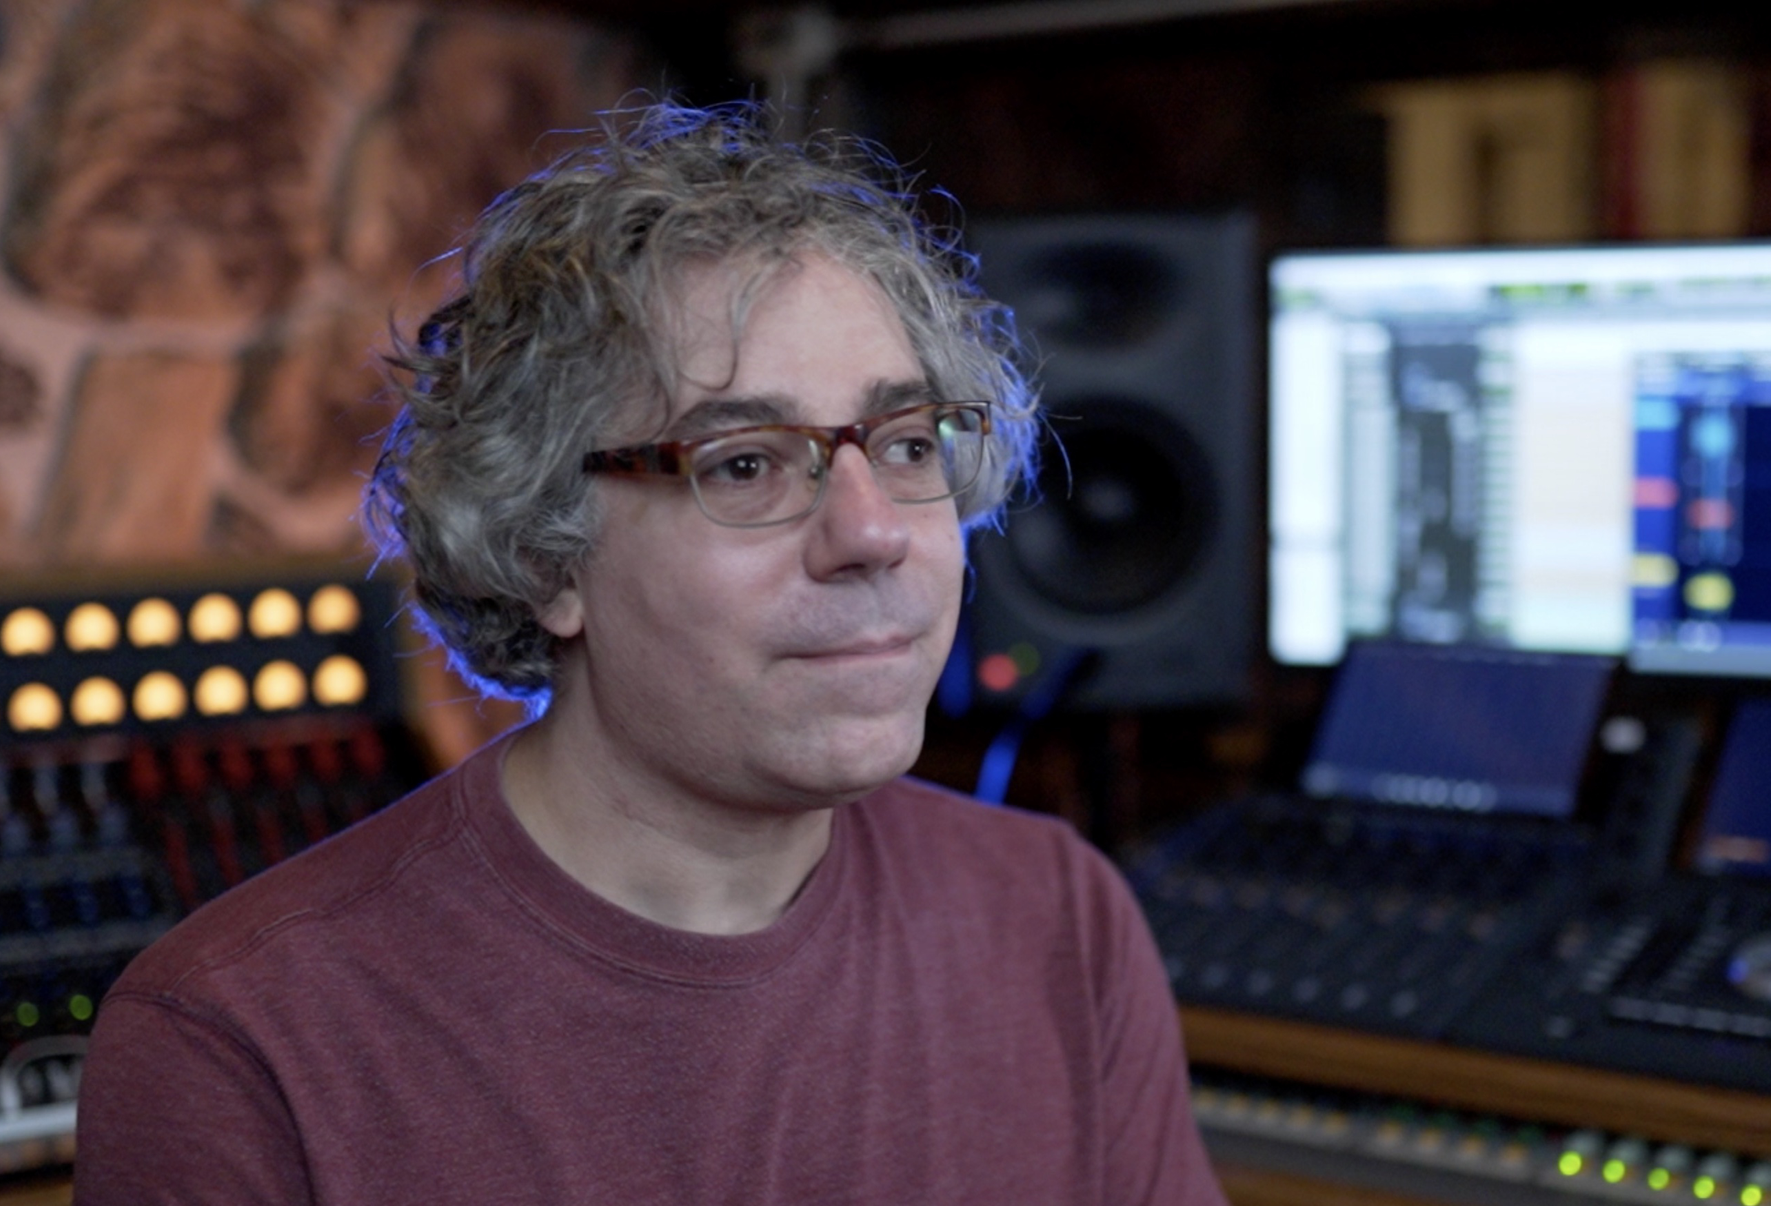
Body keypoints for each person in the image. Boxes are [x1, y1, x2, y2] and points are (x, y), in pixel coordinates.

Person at [74, 101, 1226, 1205]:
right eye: (743, 464)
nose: (873, 533)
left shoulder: (1059, 920)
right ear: (543, 557)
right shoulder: (239, 1046)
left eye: (910, 443)